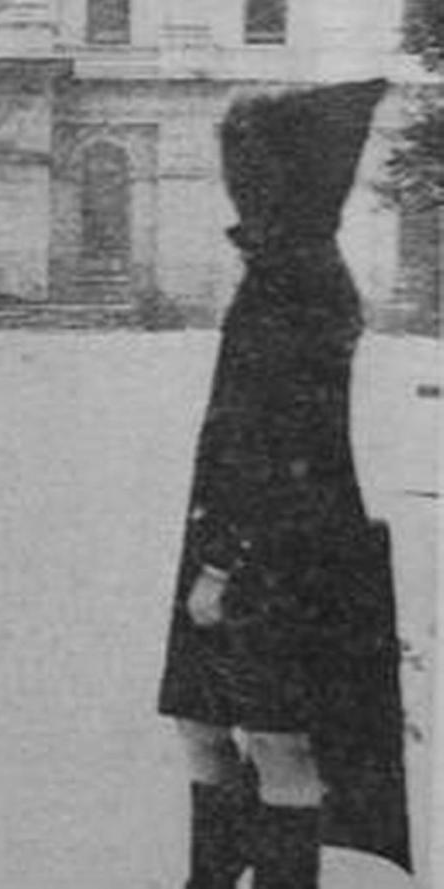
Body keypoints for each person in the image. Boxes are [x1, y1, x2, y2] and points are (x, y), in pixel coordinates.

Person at [157, 79, 411, 889]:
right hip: (244, 532)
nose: (238, 176)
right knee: (203, 720)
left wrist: (223, 564)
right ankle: (220, 868)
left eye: (251, 161)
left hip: (268, 547)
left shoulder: (297, 280)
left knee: (277, 738)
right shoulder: (289, 264)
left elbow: (280, 444)